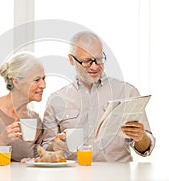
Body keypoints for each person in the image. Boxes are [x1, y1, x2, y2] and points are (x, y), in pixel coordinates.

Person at [42, 31, 155, 162]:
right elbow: (45, 149)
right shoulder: (56, 99)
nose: (95, 66)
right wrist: (54, 146)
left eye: (99, 59)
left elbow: (146, 148)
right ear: (71, 59)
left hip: (117, 176)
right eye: (87, 61)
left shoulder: (127, 92)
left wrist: (141, 138)